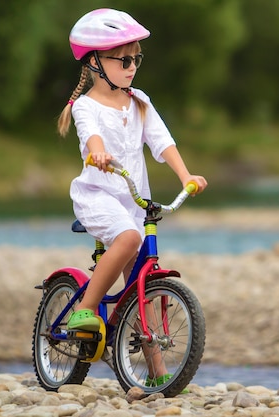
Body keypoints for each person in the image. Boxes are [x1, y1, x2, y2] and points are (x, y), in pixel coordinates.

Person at [57, 8, 207, 333]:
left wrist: (186, 177)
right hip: (98, 197)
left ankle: (157, 372)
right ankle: (83, 311)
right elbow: (92, 138)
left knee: (141, 283)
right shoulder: (86, 107)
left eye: (136, 60)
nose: (132, 68)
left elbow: (162, 142)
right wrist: (98, 154)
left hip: (134, 202)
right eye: (124, 61)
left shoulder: (139, 101)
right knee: (128, 238)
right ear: (95, 63)